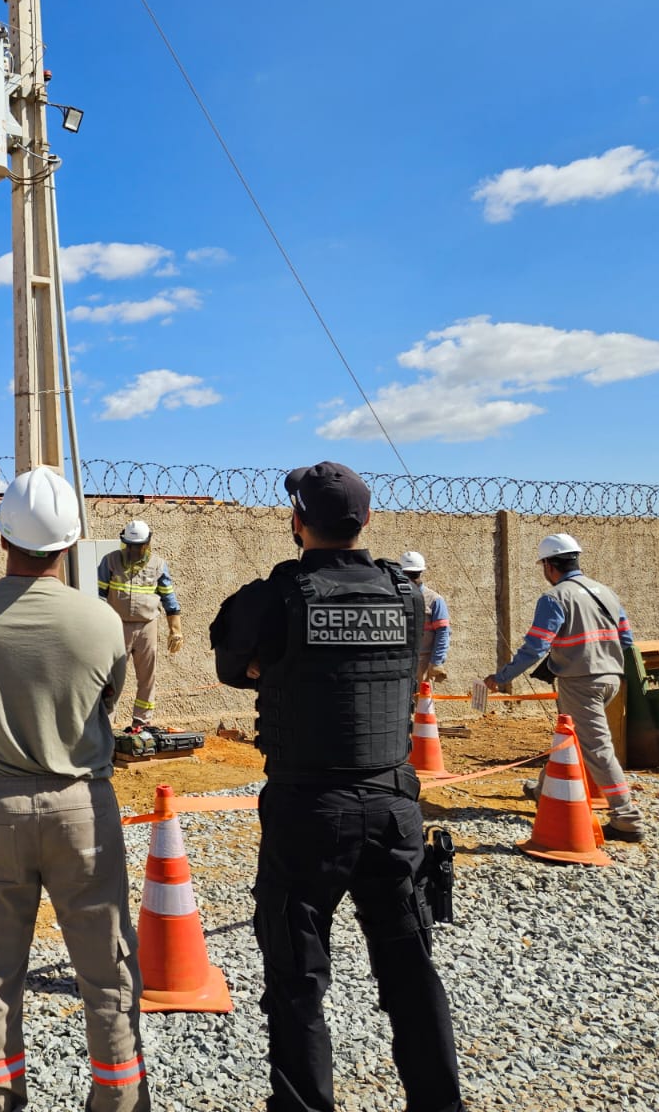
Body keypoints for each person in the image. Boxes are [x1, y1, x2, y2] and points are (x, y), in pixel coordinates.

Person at [210, 461, 463, 1112]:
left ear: (298, 524)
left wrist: (279, 662)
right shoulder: (406, 596)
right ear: (368, 521)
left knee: (297, 978)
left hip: (308, 809)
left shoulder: (276, 597)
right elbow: (406, 672)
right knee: (409, 969)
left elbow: (229, 656)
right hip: (392, 804)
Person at [0, 467, 149, 1112]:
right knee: (106, 971)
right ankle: (116, 1100)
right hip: (82, 806)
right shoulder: (100, 622)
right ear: (72, 543)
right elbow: (106, 702)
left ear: (1, 534)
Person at [482, 532, 642, 842]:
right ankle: (544, 790)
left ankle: (626, 818)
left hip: (581, 682)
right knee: (571, 738)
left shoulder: (555, 598)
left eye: (543, 565)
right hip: (610, 678)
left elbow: (535, 647)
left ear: (550, 566)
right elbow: (626, 640)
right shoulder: (606, 592)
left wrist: (502, 677)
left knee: (597, 747)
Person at [96, 518, 182, 726]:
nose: (134, 551)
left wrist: (176, 629)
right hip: (117, 627)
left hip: (147, 626)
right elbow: (98, 595)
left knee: (147, 678)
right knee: (111, 679)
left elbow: (168, 597)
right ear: (124, 543)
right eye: (130, 546)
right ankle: (106, 724)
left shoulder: (158, 564)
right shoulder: (110, 561)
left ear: (147, 543)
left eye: (138, 546)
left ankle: (142, 723)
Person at [399, 550, 451, 685]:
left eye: (413, 574)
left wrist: (436, 662)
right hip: (400, 660)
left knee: (421, 703)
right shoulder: (398, 597)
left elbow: (443, 632)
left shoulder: (434, 600)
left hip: (423, 662)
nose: (411, 578)